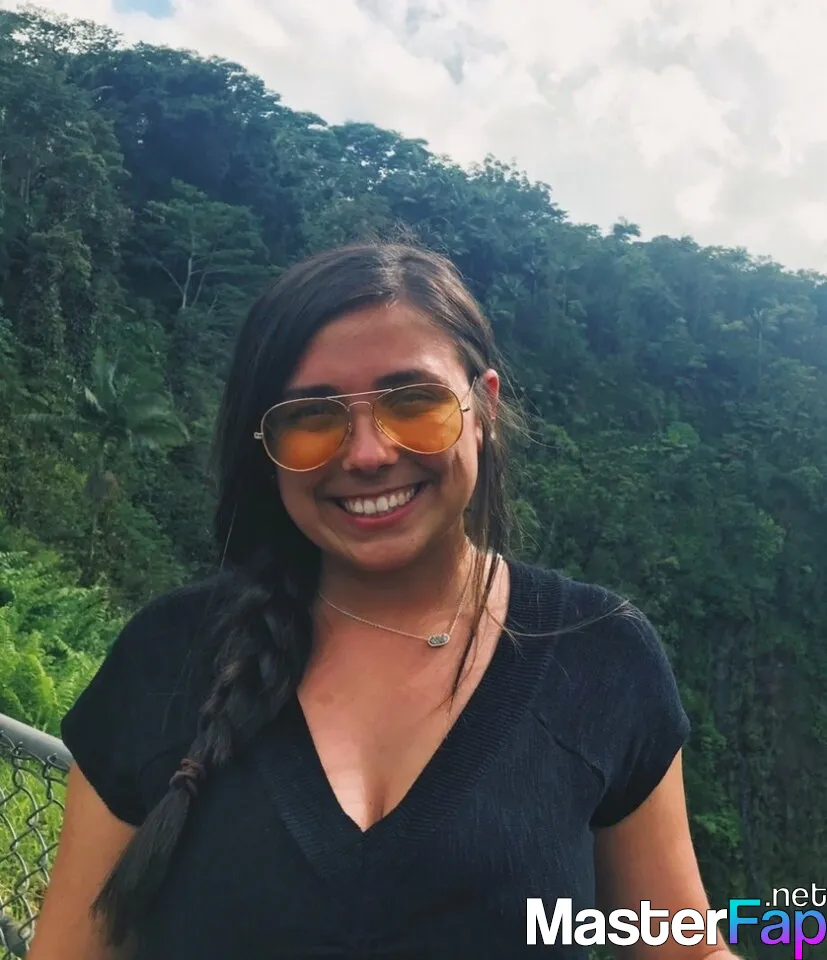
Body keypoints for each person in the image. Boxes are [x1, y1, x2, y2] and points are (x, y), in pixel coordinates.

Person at [28, 241, 734, 960]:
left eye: (413, 402)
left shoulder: (596, 654)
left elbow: (685, 946)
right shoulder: (169, 655)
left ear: (484, 407)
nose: (367, 454)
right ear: (266, 444)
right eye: (311, 416)